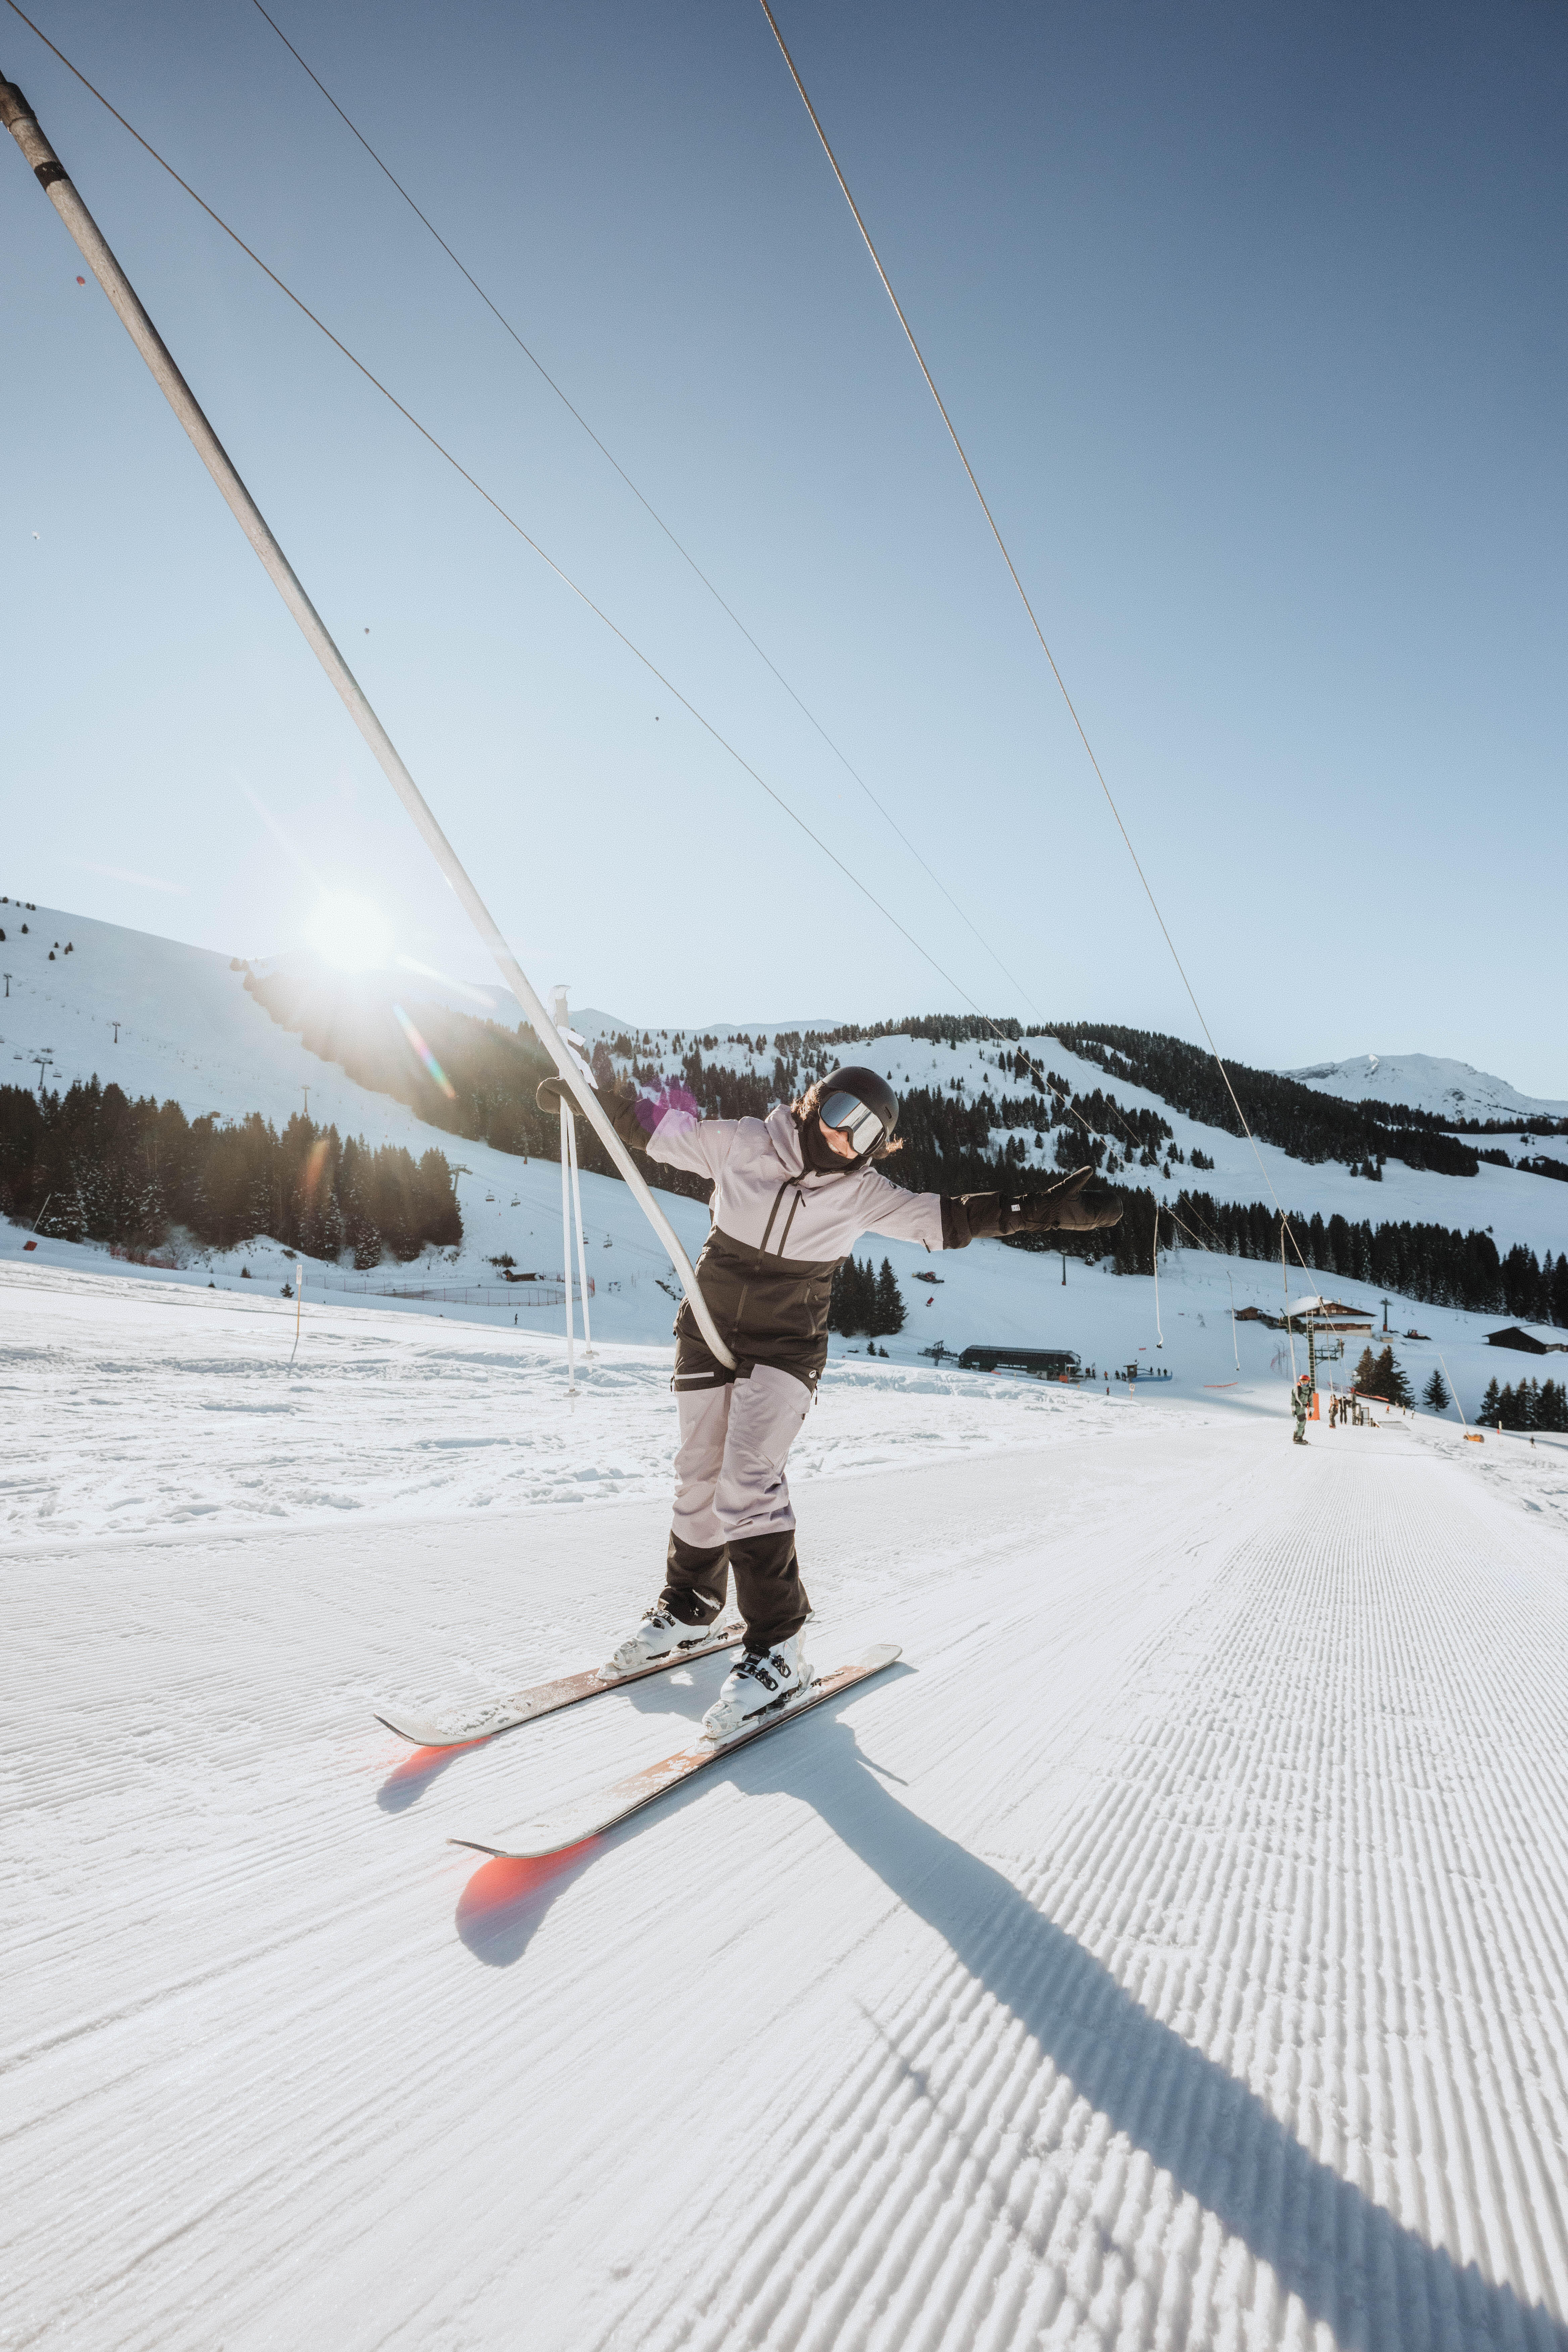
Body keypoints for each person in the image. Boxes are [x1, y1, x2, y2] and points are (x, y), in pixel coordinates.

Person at [538, 1062, 1121, 1736]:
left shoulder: (863, 1193)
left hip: (785, 1347)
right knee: (697, 1472)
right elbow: (657, 1129)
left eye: (868, 1133)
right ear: (815, 1102)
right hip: (706, 1323)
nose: (847, 1137)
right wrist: (591, 1100)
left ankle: (779, 1648)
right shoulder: (743, 1142)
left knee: (747, 1481)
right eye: (841, 1112)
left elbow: (948, 1218)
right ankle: (692, 1605)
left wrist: (1040, 1209)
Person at [1292, 1373, 1312, 1444]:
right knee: (1302, 1421)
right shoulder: (1297, 1389)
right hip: (1298, 1406)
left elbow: (1311, 1400)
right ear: (1300, 1382)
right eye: (1303, 1382)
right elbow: (1293, 1399)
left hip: (1303, 1407)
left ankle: (1298, 1436)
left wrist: (1311, 1410)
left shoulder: (1309, 1390)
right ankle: (1298, 1437)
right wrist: (1293, 1409)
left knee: (1303, 1421)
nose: (1304, 1384)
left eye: (1306, 1382)